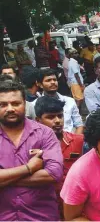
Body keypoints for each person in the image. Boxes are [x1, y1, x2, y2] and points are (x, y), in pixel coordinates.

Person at [0, 81, 63, 221]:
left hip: (41, 217)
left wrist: (5, 179)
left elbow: (53, 174)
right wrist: (29, 168)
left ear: (25, 103)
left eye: (16, 103)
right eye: (3, 104)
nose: (10, 108)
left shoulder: (45, 133)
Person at [34, 96, 84, 219]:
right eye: (50, 117)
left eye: (60, 116)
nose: (57, 121)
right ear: (38, 120)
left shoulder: (78, 141)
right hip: (44, 204)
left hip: (73, 202)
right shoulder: (32, 146)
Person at [32, 69, 84, 134]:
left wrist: (75, 142)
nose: (53, 82)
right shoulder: (33, 105)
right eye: (48, 80)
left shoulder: (69, 101)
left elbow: (79, 125)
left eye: (55, 80)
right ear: (39, 84)